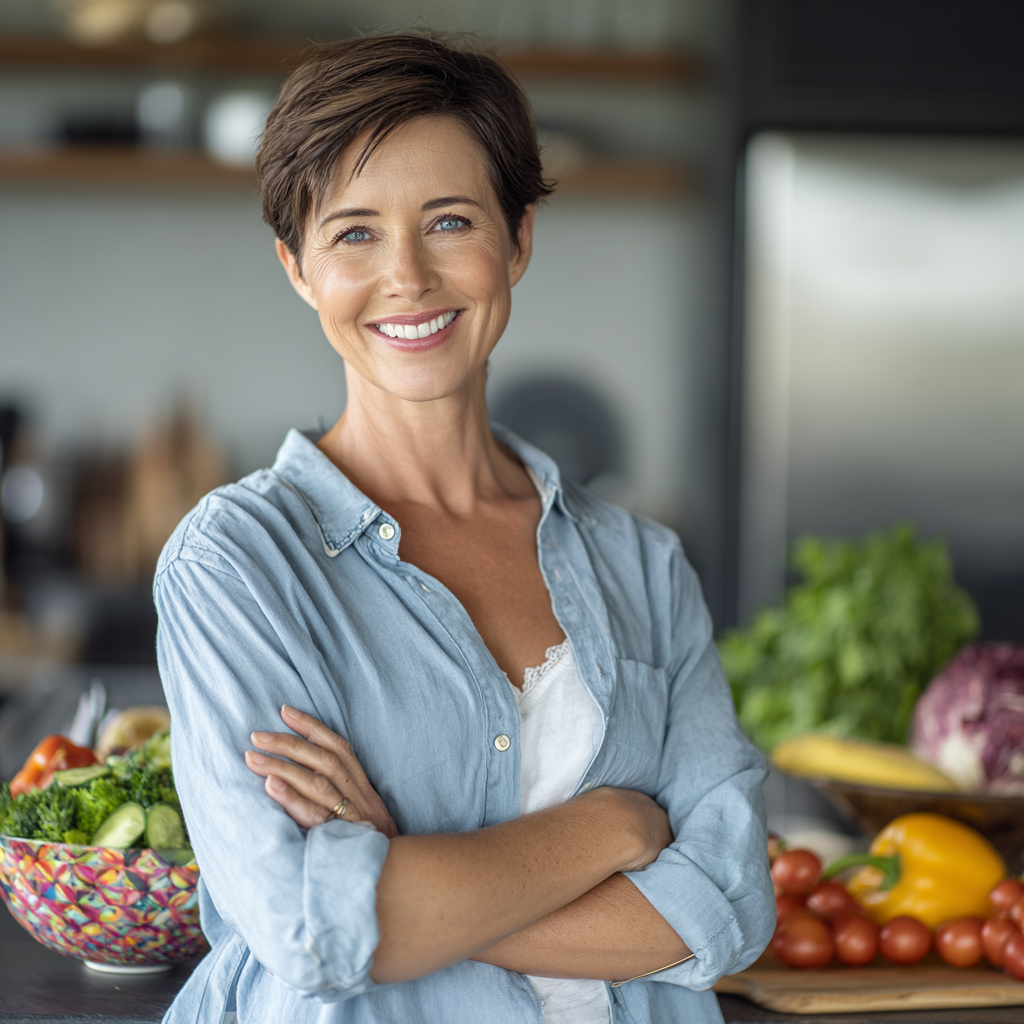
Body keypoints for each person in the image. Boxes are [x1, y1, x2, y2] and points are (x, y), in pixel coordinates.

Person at [155, 33, 773, 1024]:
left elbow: (729, 906)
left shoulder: (641, 564)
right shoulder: (236, 562)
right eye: (354, 233)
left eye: (448, 221)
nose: (406, 274)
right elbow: (307, 927)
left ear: (517, 238)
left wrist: (404, 878)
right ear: (298, 267)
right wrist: (613, 828)